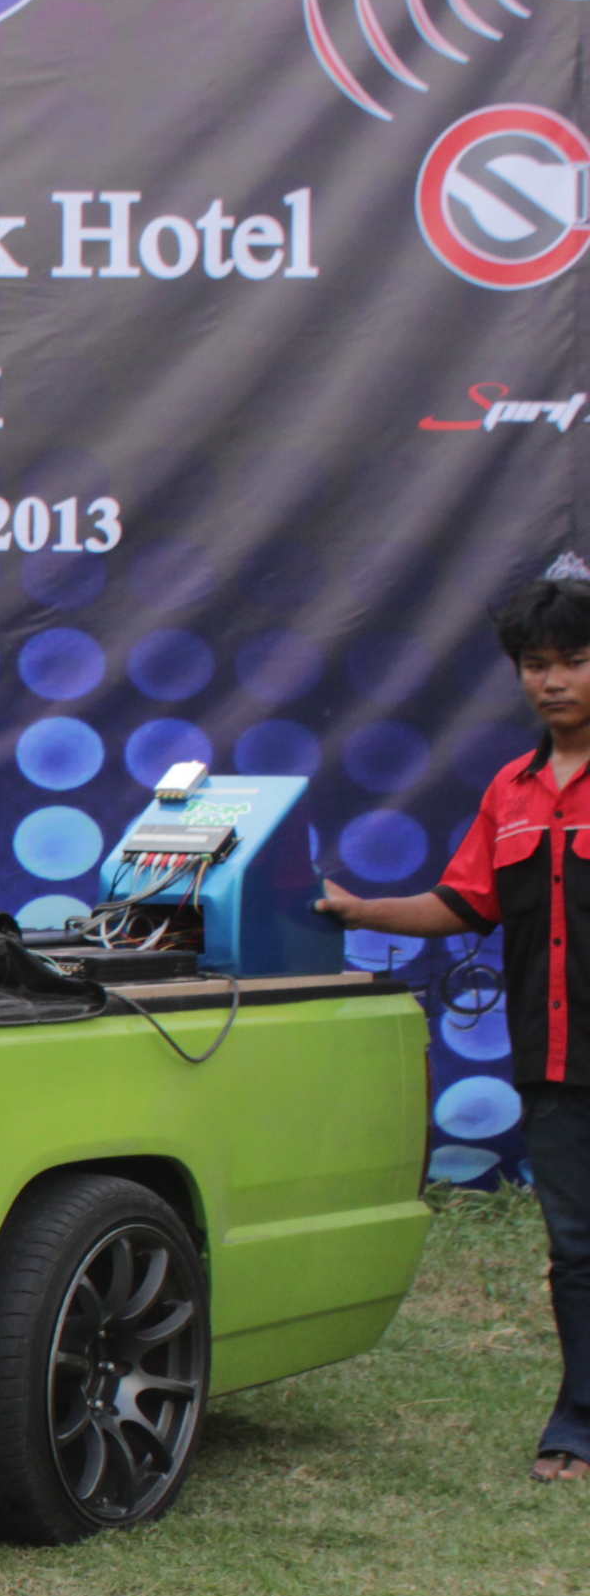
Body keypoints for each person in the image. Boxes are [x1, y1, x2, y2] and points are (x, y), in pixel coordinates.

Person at [323, 558, 590, 1479]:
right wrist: (356, 910)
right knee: (576, 1250)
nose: (553, 681)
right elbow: (460, 903)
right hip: (556, 1062)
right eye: (535, 664)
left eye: (574, 660)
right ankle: (578, 1423)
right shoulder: (511, 791)